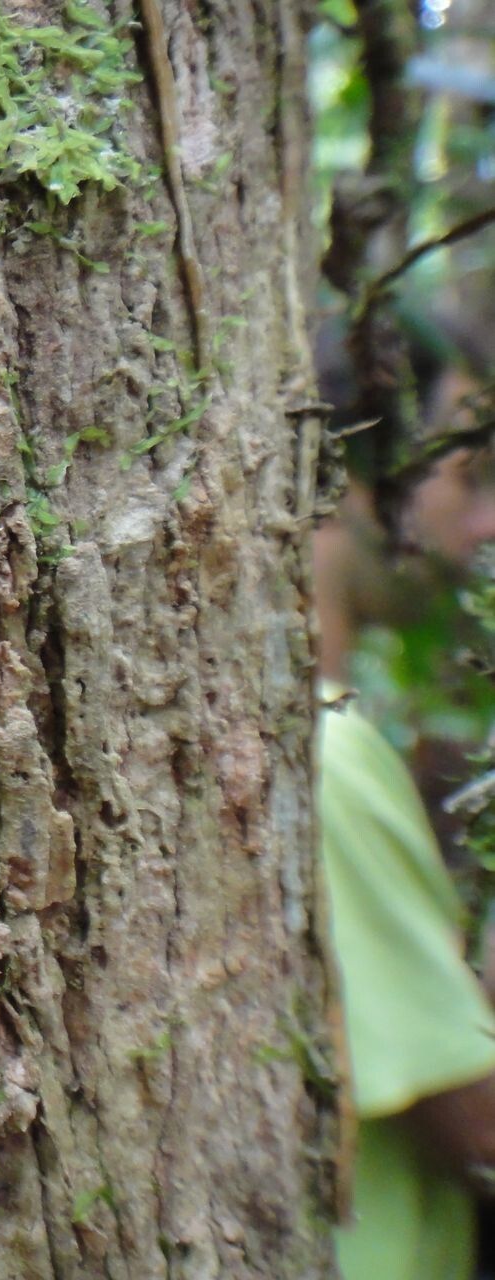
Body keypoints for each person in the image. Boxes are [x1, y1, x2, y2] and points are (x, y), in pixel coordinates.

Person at [315, 390, 495, 1276]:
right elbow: (481, 1130)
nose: (485, 524)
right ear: (342, 476)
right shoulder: (323, 758)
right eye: (465, 476)